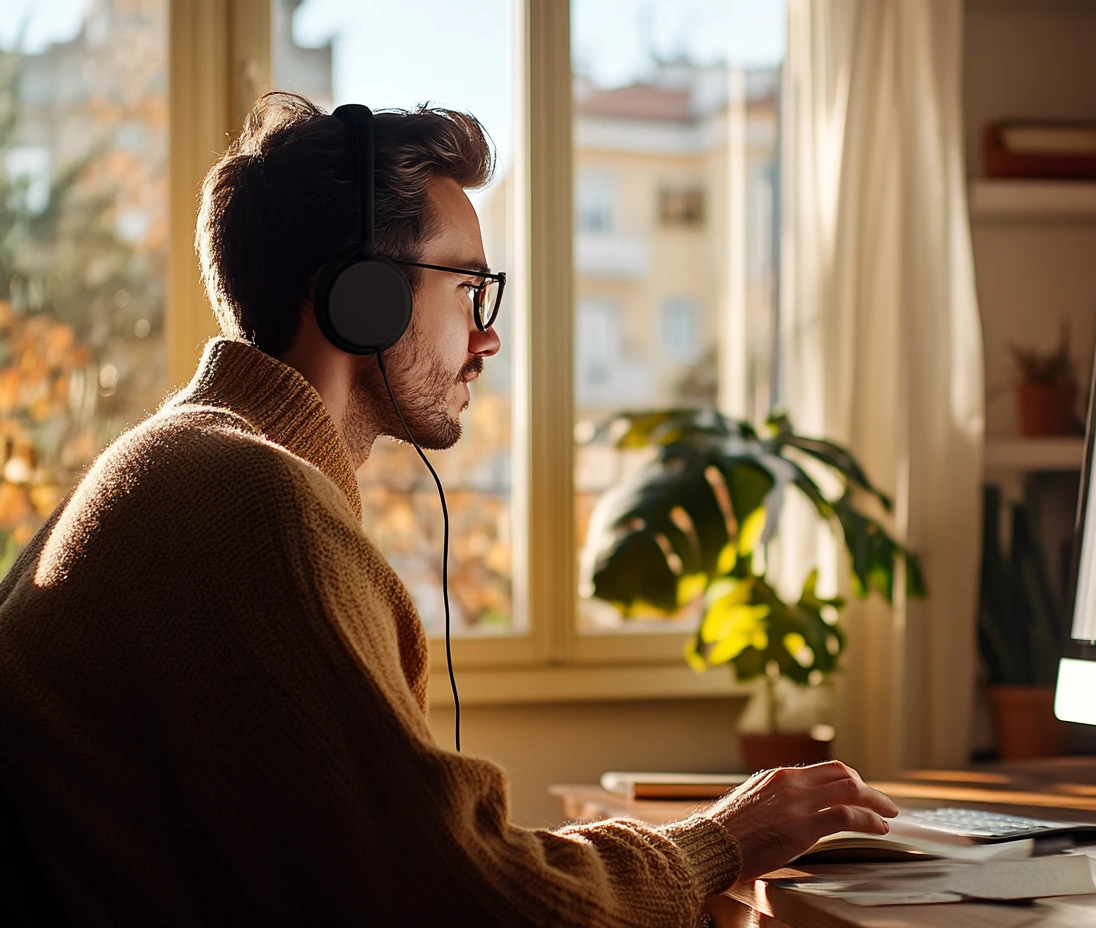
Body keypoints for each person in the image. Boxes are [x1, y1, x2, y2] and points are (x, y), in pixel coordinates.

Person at [0, 92, 897, 926]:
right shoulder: (252, 503)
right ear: (362, 297)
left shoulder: (176, 461)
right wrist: (717, 845)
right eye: (467, 288)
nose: (489, 334)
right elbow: (461, 898)